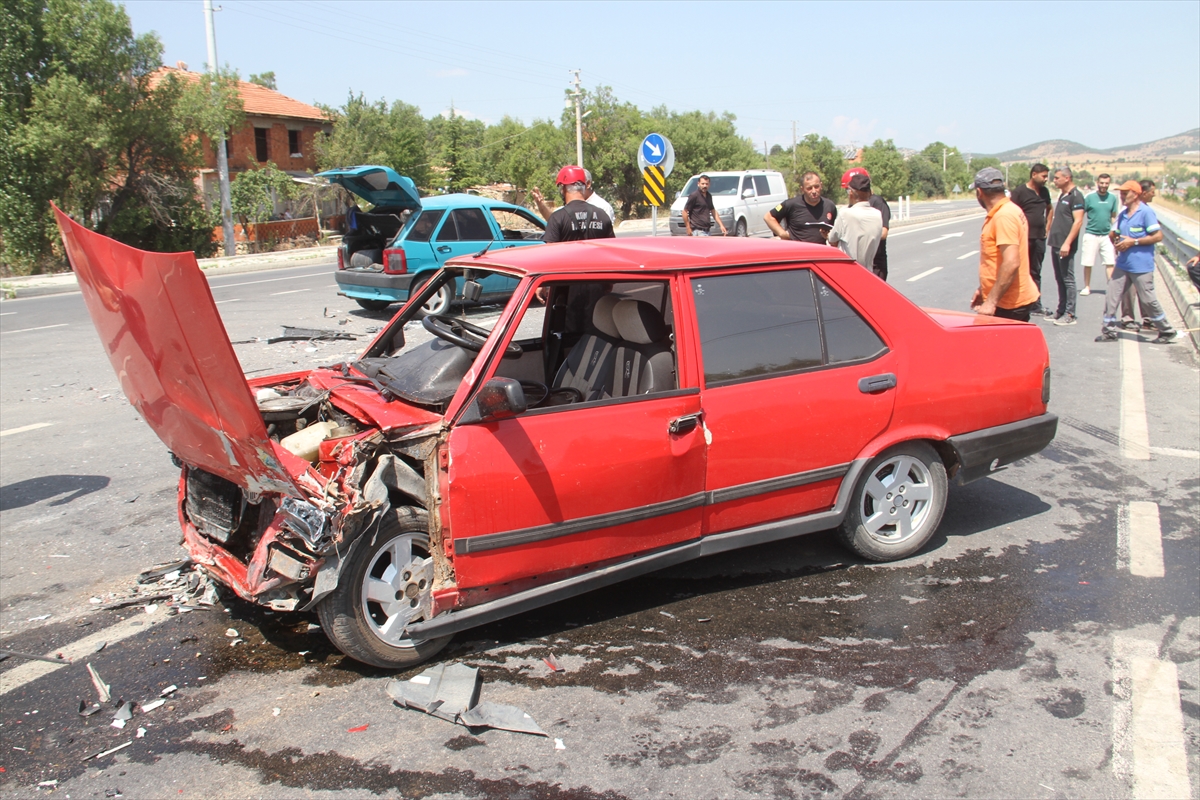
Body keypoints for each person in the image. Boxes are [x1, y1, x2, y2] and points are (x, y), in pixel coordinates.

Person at [1095, 180, 1179, 344]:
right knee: (1112, 297)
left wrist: (1133, 242)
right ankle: (1108, 331)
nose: (1122, 195)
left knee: (1148, 300)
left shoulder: (1146, 213)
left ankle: (1166, 330)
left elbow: (1157, 236)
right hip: (1123, 264)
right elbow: (1114, 232)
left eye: (1126, 193)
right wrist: (1117, 241)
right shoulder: (1123, 214)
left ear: (1136, 194)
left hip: (1141, 266)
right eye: (1121, 192)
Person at [970, 167, 1040, 321]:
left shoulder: (1003, 216)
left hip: (1009, 304)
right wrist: (984, 289)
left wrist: (991, 301)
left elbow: (1011, 262)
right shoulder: (1010, 210)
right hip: (1007, 299)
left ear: (980, 192)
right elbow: (996, 261)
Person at [1009, 164, 1053, 314]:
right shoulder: (1020, 192)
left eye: (1047, 176)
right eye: (1044, 176)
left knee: (1036, 271)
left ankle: (1036, 305)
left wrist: (1047, 227)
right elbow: (1011, 212)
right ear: (1034, 174)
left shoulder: (1044, 192)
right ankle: (1018, 303)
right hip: (1024, 239)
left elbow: (1050, 208)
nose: (1046, 179)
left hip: (1039, 238)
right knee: (1021, 271)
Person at [1045, 167, 1085, 325]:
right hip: (1056, 243)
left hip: (1065, 244)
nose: (1054, 181)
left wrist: (1067, 243)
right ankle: (1060, 310)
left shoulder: (1076, 197)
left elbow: (1078, 221)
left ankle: (1070, 313)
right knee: (1059, 278)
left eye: (1057, 178)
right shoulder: (1063, 195)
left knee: (1068, 279)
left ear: (1067, 178)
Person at [542, 165, 615, 243]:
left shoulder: (557, 218)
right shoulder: (602, 215)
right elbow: (611, 247)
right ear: (585, 186)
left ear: (563, 188)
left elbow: (550, 251)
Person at [841, 168, 892, 280]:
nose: (849, 195)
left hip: (874, 263)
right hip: (855, 262)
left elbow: (883, 233)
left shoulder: (877, 202)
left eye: (849, 191)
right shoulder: (850, 208)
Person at [828, 173, 883, 268]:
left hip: (848, 270)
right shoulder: (877, 214)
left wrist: (827, 234)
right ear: (870, 193)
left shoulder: (845, 214)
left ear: (851, 193)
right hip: (868, 272)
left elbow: (832, 239)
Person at [765, 172, 837, 244]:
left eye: (816, 186)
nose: (814, 191)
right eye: (809, 188)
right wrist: (782, 234)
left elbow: (833, 234)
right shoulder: (790, 204)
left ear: (821, 185)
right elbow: (768, 217)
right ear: (802, 189)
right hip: (798, 251)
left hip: (821, 251)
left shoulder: (830, 206)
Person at [530, 168, 614, 225]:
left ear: (587, 184)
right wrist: (541, 205)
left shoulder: (603, 207)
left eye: (571, 185)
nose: (562, 191)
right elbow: (553, 219)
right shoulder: (566, 207)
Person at [1079, 173, 1118, 295]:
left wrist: (1115, 232)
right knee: (1088, 262)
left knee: (1110, 262)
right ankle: (1087, 286)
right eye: (1102, 183)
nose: (1104, 185)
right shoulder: (1089, 197)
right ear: (1097, 183)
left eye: (1106, 183)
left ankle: (1111, 287)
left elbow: (1113, 217)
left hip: (1106, 235)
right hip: (1091, 233)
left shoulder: (1113, 198)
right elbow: (1081, 214)